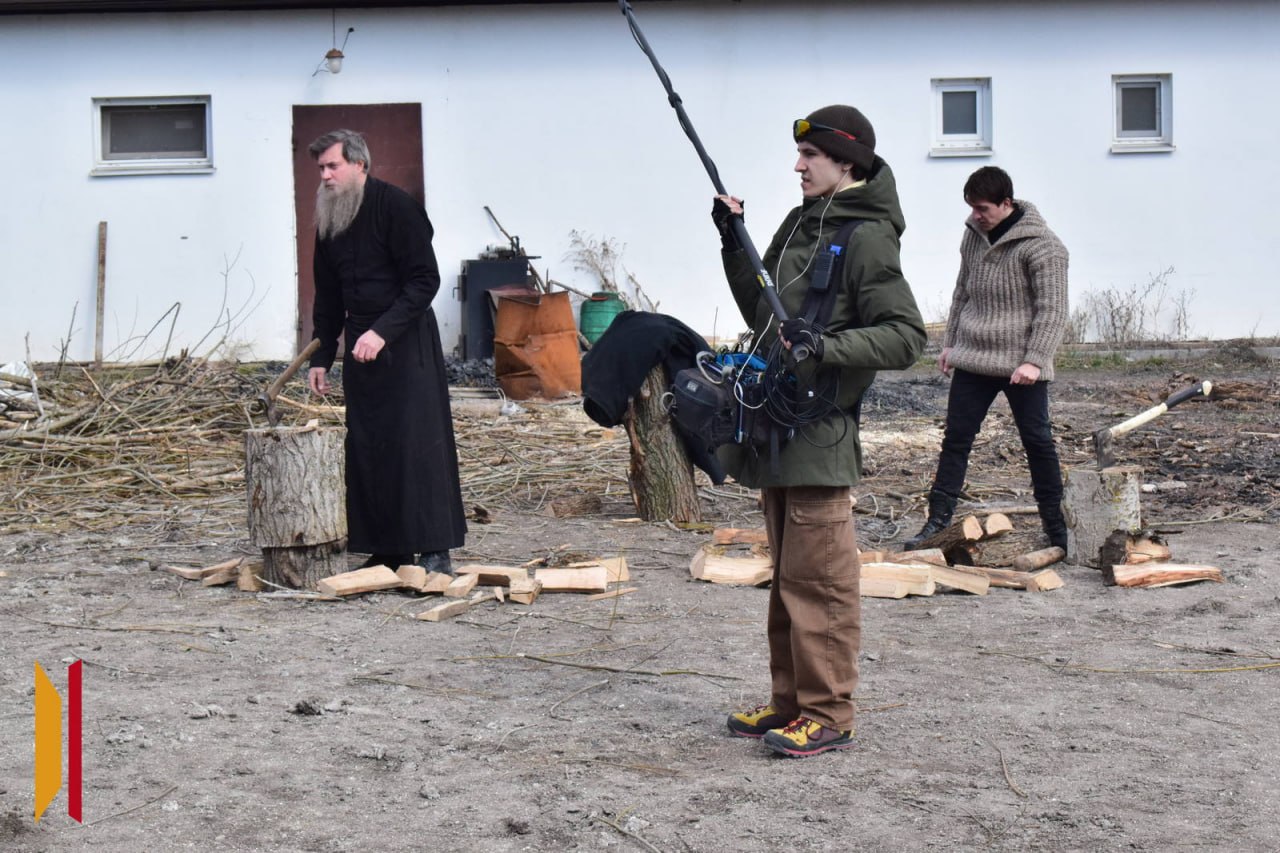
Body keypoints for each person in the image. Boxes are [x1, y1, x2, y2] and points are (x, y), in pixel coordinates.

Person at [714, 106, 926, 757]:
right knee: (787, 580)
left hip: (821, 432)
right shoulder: (804, 222)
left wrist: (825, 346)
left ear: (846, 162)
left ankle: (828, 712)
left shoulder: (865, 236)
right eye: (800, 155)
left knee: (821, 582)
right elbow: (761, 307)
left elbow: (905, 335)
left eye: (811, 157)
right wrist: (734, 239)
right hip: (778, 425)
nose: (798, 165)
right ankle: (790, 702)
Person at [306, 129, 466, 574]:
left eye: (333, 166)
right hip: (360, 344)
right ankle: (389, 547)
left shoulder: (397, 207)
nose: (325, 175)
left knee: (418, 444)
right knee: (370, 446)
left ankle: (435, 546)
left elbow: (423, 280)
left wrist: (382, 332)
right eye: (320, 168)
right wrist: (321, 358)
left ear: (360, 164)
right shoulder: (330, 218)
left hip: (405, 339)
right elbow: (329, 296)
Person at [905, 166, 1069, 551]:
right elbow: (962, 290)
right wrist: (950, 342)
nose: (976, 215)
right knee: (956, 440)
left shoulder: (1044, 247)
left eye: (982, 208)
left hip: (1021, 366)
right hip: (973, 358)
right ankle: (937, 522)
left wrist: (1035, 360)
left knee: (1038, 443)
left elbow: (1053, 309)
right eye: (971, 208)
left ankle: (1057, 528)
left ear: (1006, 203)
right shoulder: (973, 235)